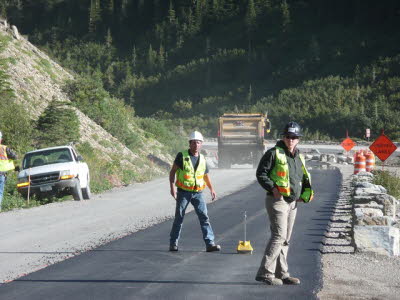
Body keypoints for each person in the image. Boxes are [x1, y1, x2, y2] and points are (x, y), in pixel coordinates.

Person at [255, 122, 314, 285]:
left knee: (286, 238)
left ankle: (283, 273)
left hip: (293, 202)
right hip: (277, 200)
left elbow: (302, 178)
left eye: (294, 137)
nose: (291, 139)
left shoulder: (299, 157)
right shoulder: (274, 153)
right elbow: (261, 173)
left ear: (299, 139)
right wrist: (272, 188)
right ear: (283, 137)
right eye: (288, 136)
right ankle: (266, 273)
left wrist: (305, 195)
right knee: (279, 235)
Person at [169, 131, 221, 252]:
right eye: (193, 143)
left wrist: (212, 189)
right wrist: (172, 188)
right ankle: (173, 243)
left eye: (198, 142)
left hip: (198, 193)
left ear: (201, 144)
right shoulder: (182, 156)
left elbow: (205, 176)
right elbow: (172, 172)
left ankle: (210, 244)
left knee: (204, 217)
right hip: (183, 192)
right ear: (190, 143)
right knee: (179, 217)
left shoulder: (203, 159)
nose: (196, 145)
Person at [0, 131, 17, 211]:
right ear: (1, 139)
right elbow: (14, 156)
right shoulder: (4, 148)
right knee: (0, 192)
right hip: (1, 174)